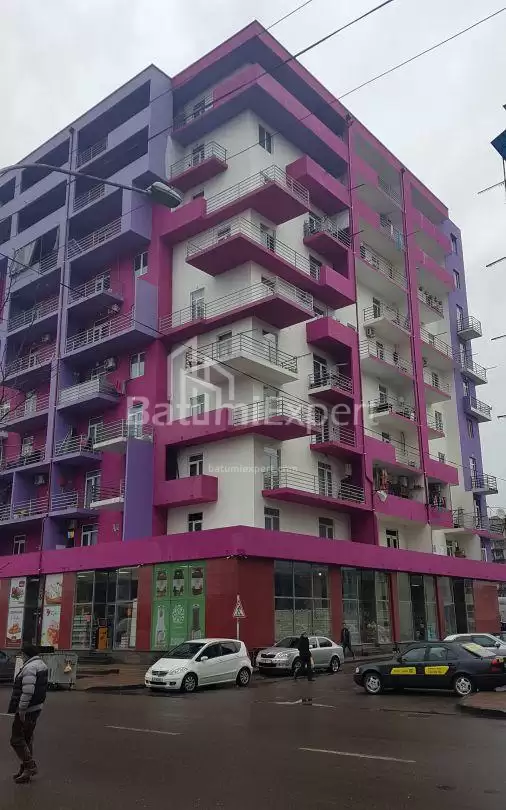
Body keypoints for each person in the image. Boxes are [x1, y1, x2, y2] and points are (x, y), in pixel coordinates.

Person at [8, 644, 48, 784]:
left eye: (22, 654)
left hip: (28, 709)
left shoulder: (30, 667)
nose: (21, 656)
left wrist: (22, 710)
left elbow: (28, 692)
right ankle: (25, 768)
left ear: (26, 654)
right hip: (36, 707)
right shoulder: (40, 664)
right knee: (26, 738)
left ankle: (30, 766)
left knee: (16, 739)